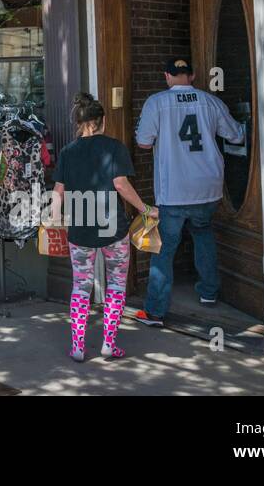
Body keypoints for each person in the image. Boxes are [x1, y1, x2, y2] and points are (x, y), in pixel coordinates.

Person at [134, 56, 245, 326]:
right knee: (203, 233)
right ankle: (209, 292)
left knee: (165, 248)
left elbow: (144, 142)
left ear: (167, 76)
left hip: (174, 189)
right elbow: (237, 135)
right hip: (208, 187)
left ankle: (155, 312)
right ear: (192, 76)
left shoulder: (157, 102)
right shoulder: (211, 102)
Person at [53, 93, 155, 361]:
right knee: (117, 285)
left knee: (81, 287)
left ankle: (77, 346)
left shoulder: (67, 152)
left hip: (80, 229)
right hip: (113, 229)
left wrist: (54, 219)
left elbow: (58, 192)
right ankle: (109, 342)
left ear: (79, 123)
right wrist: (145, 209)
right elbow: (121, 184)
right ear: (102, 121)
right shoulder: (114, 147)